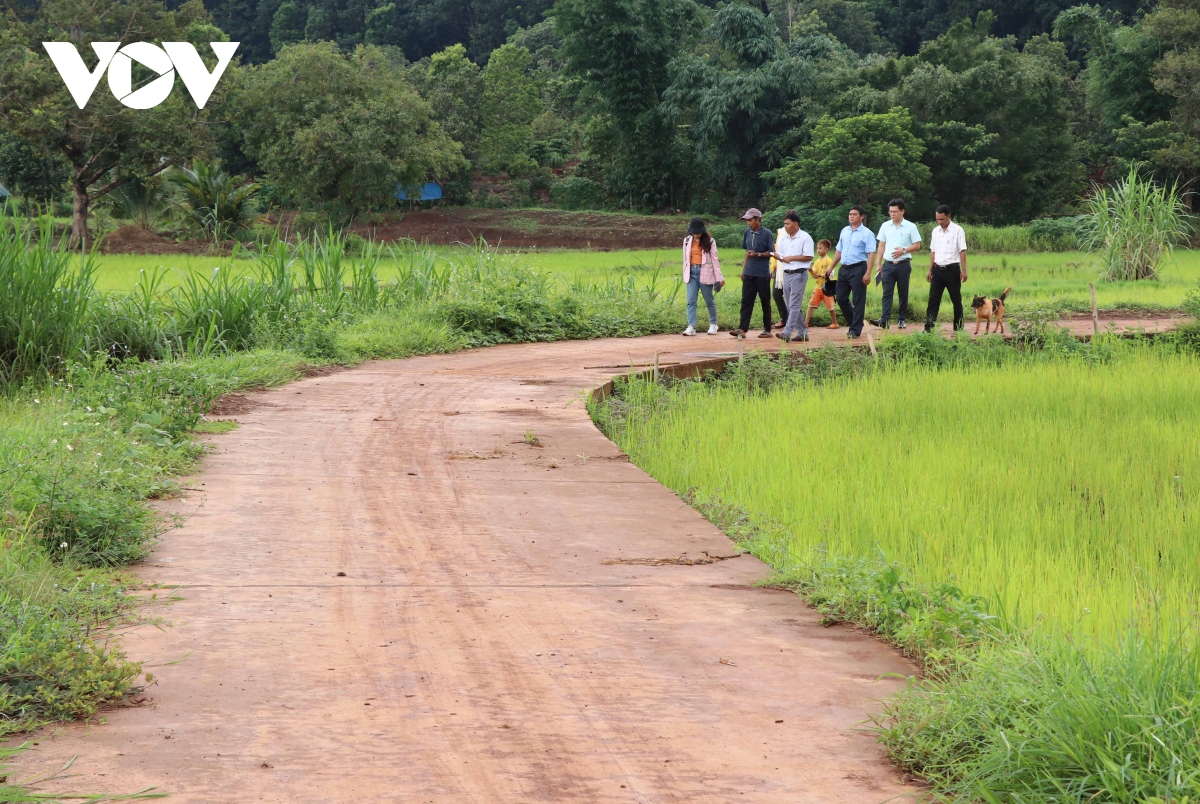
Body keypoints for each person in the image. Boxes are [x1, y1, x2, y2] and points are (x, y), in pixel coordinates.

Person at [871, 198, 922, 329]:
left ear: (902, 211)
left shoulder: (911, 226)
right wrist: (878, 263)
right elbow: (881, 245)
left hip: (903, 264)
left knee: (902, 292)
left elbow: (917, 245)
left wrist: (903, 250)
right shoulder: (885, 226)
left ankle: (901, 319)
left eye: (895, 211)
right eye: (890, 211)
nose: (892, 214)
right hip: (888, 265)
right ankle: (885, 319)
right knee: (887, 292)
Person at [828, 205, 875, 339]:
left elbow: (872, 253)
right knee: (841, 298)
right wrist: (831, 267)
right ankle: (856, 322)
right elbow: (839, 250)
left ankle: (855, 329)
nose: (851, 216)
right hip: (844, 268)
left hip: (858, 268)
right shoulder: (845, 231)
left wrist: (868, 273)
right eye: (850, 214)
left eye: (854, 214)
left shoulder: (867, 233)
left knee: (858, 299)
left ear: (862, 216)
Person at [730, 208, 775, 338]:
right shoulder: (747, 232)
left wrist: (758, 254)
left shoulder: (767, 233)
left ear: (758, 219)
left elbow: (771, 252)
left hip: (762, 273)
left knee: (764, 301)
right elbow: (747, 252)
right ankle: (742, 329)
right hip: (749, 272)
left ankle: (767, 329)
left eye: (750, 220)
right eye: (747, 220)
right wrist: (744, 270)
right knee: (746, 300)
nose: (748, 223)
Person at [772, 210, 814, 342]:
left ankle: (787, 332)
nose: (785, 226)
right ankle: (802, 333)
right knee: (791, 305)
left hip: (799, 274)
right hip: (787, 273)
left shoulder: (805, 237)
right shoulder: (784, 239)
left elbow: (809, 256)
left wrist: (792, 257)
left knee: (794, 305)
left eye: (788, 224)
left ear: (796, 224)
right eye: (784, 224)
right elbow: (783, 255)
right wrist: (779, 257)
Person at [925, 204, 968, 332]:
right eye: (937, 219)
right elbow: (933, 252)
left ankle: (958, 329)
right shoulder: (935, 231)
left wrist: (964, 270)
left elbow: (962, 251)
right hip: (937, 270)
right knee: (933, 300)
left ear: (949, 216)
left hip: (952, 270)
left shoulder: (958, 230)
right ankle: (928, 329)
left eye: (942, 219)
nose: (939, 222)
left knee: (956, 300)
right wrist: (930, 270)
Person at [680, 217, 725, 336]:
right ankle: (691, 326)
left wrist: (719, 278)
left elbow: (715, 260)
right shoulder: (686, 241)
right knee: (691, 301)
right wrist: (685, 273)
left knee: (709, 300)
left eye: (698, 232)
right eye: (694, 232)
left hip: (705, 272)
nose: (696, 234)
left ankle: (713, 324)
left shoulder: (710, 241)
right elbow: (685, 259)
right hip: (691, 273)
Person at [804, 239, 839, 330]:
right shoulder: (817, 261)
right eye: (817, 248)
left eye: (820, 248)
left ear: (826, 249)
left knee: (830, 307)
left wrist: (821, 275)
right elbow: (815, 271)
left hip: (827, 288)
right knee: (811, 304)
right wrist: (811, 270)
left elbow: (831, 273)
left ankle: (835, 323)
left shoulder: (829, 261)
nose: (818, 250)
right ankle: (805, 323)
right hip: (818, 287)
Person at [769, 225, 788, 330]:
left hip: (791, 269)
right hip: (779, 270)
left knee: (792, 296)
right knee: (776, 294)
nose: (786, 225)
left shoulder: (799, 236)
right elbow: (775, 252)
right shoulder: (780, 232)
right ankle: (785, 318)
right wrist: (772, 268)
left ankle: (796, 320)